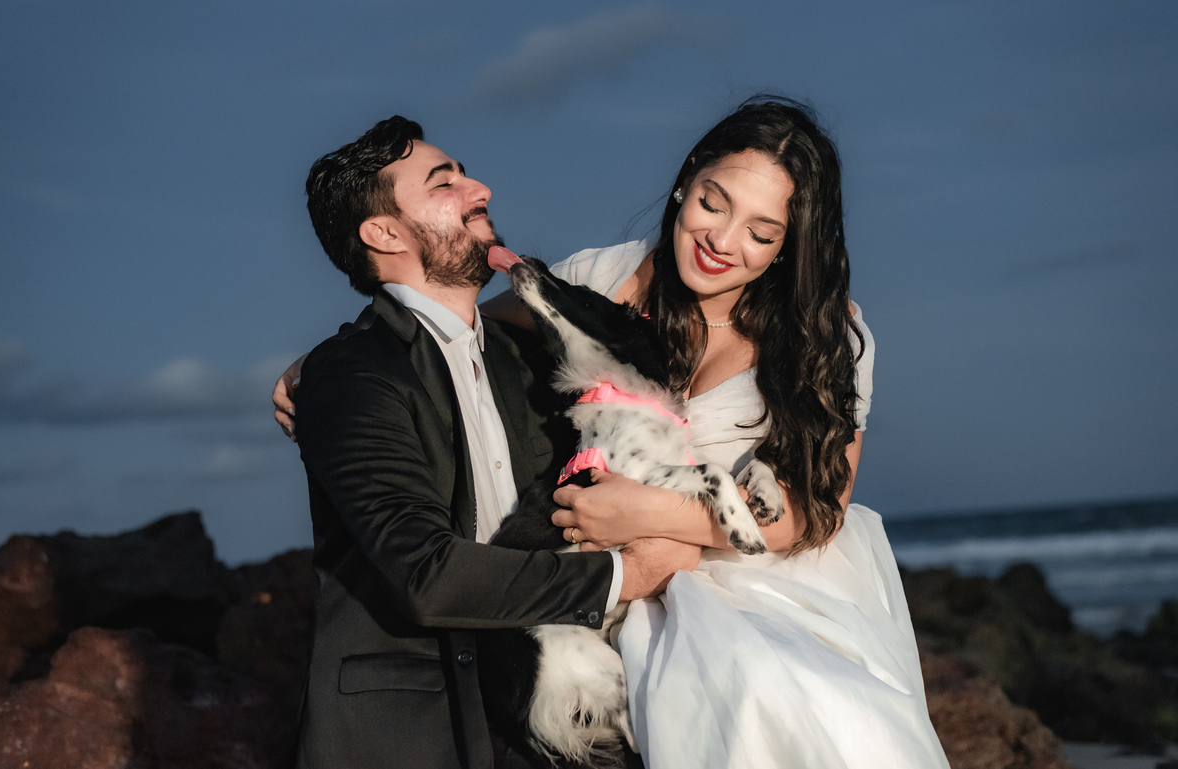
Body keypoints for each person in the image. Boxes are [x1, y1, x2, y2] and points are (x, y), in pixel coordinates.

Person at [277, 98, 948, 768]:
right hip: (626, 593)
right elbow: (450, 324)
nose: (722, 240)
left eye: (761, 232)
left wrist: (649, 515)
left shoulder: (829, 335)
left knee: (801, 707)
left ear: (788, 245)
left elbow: (816, 510)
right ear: (687, 178)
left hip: (759, 574)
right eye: (713, 203)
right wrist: (323, 363)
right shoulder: (605, 279)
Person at [288, 115, 699, 769]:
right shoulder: (350, 374)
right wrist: (630, 574)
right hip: (413, 734)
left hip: (554, 719)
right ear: (384, 233)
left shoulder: (531, 362)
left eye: (465, 173)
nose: (479, 188)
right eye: (443, 182)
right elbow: (426, 574)